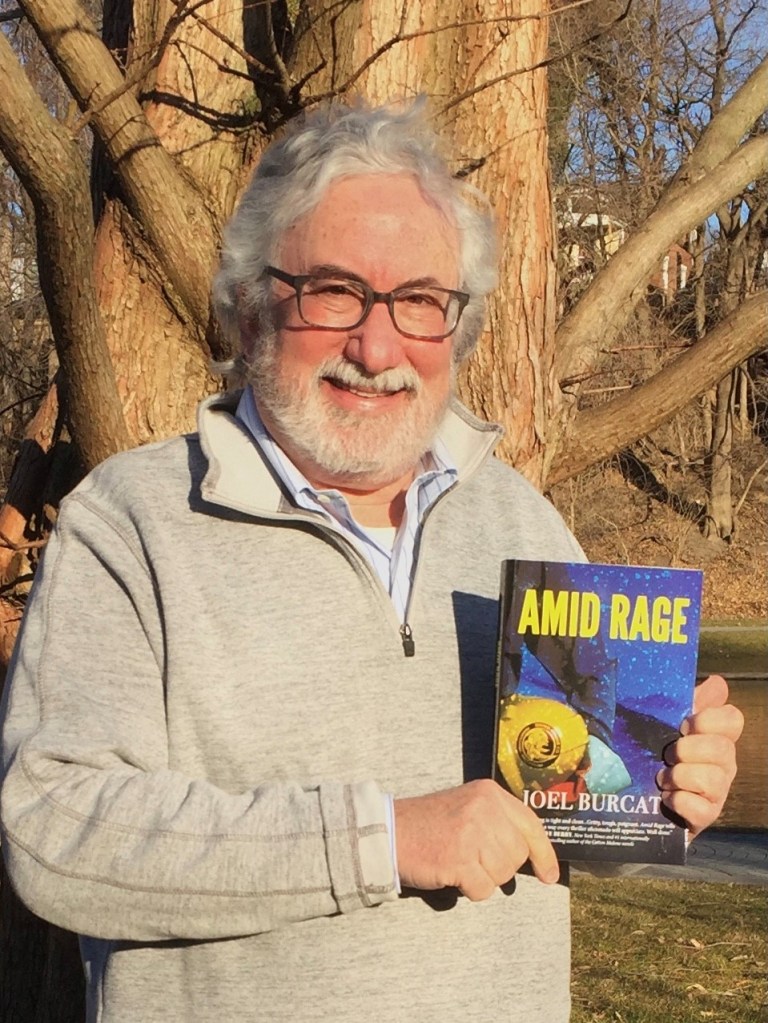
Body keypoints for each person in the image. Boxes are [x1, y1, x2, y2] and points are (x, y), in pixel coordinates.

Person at [0, 101, 743, 1023]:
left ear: (457, 331)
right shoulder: (131, 524)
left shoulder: (524, 522)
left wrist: (665, 784)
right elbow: (54, 828)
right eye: (334, 290)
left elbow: (570, 806)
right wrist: (382, 839)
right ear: (247, 306)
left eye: (420, 302)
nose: (377, 347)